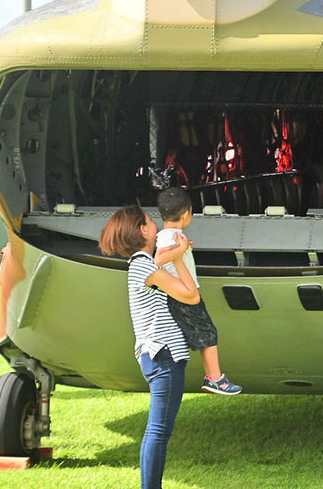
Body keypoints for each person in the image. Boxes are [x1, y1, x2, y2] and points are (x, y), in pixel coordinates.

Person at [99, 205, 199, 489]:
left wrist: (173, 254)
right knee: (158, 431)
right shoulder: (144, 265)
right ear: (142, 230)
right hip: (164, 355)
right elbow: (190, 295)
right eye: (149, 221)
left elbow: (165, 269)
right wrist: (180, 258)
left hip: (158, 355)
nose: (155, 223)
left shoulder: (143, 263)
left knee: (158, 430)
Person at [156, 187, 242, 396]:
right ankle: (214, 378)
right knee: (208, 333)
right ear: (186, 214)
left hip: (180, 293)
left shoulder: (168, 235)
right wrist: (180, 250)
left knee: (203, 332)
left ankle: (213, 377)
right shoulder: (173, 237)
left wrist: (182, 249)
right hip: (183, 294)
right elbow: (158, 258)